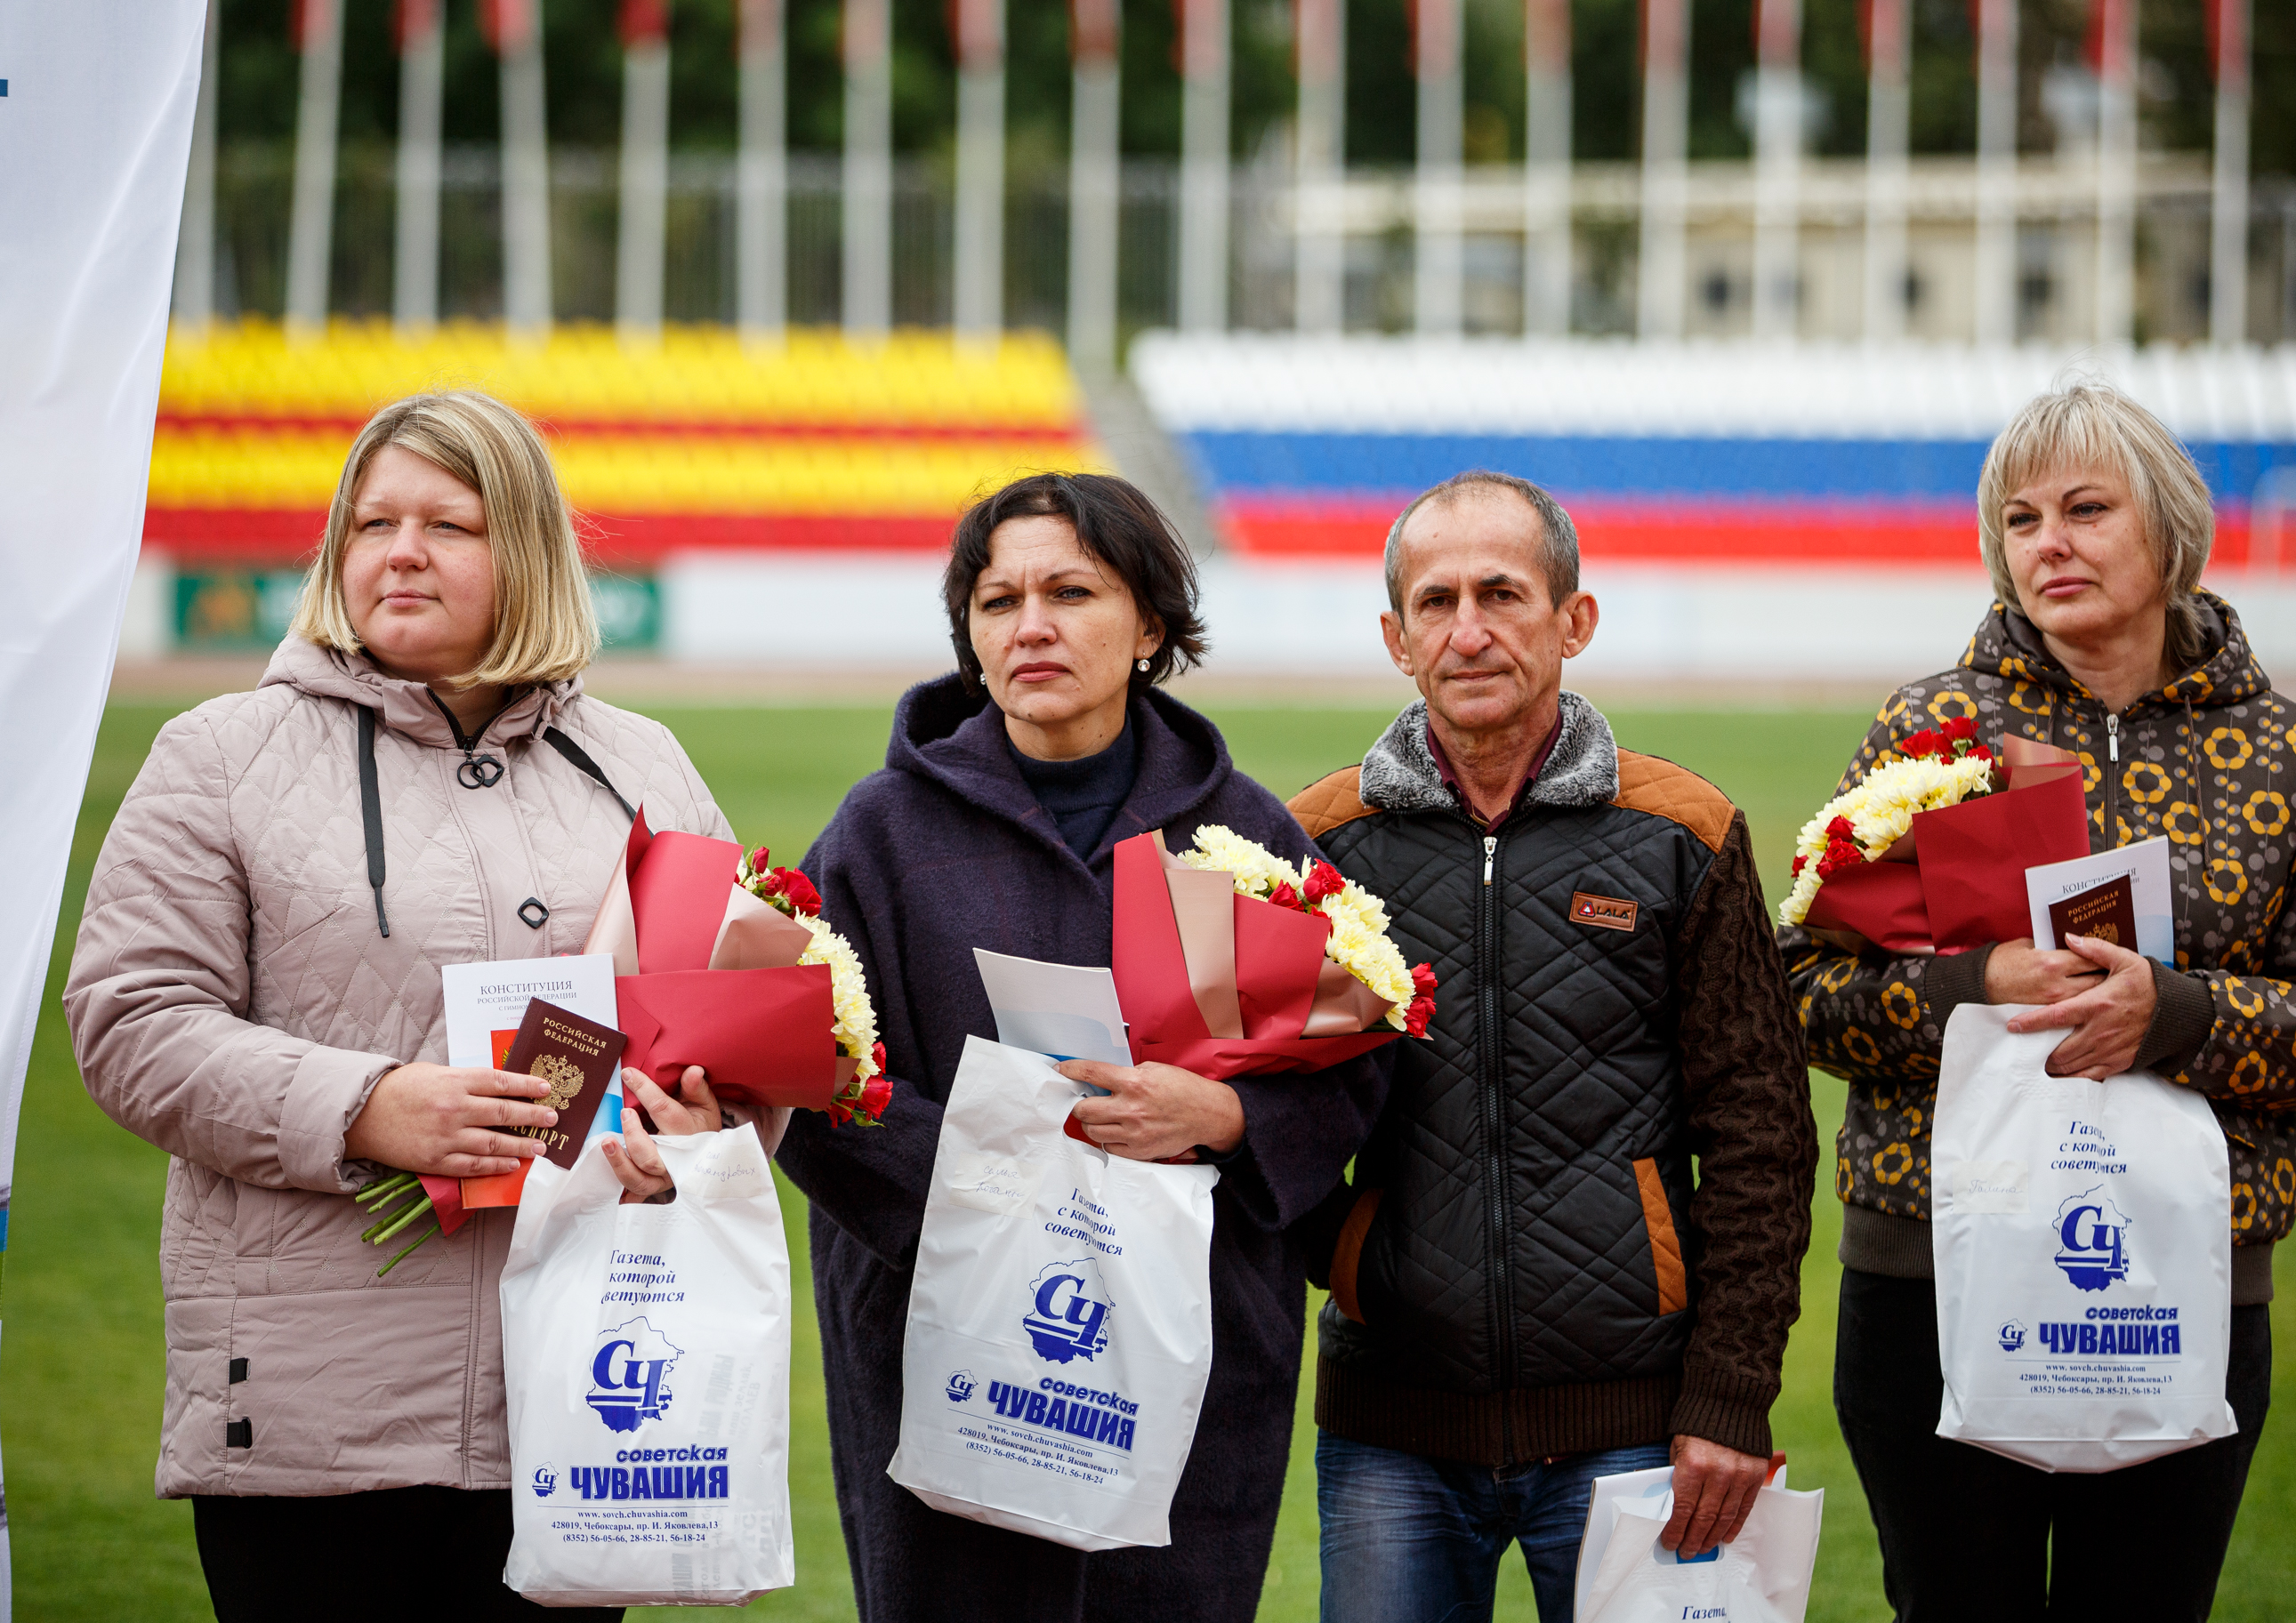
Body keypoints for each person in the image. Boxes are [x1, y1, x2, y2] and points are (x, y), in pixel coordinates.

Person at [64, 390, 739, 1621]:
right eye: (372, 521)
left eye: (448, 522)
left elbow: (709, 1031)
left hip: (579, 1392)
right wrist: (369, 1107)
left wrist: (694, 1137)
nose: (401, 550)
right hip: (320, 1410)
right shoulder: (222, 753)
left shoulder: (646, 767)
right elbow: (132, 1018)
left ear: (526, 549)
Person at [1781, 381, 2296, 1621]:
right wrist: (1975, 984)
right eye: (2018, 519)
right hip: (1933, 1272)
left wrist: (2173, 1014)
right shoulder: (1929, 733)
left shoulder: (2285, 750)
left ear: (2166, 530)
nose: (2046, 541)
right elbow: (1803, 987)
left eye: (2083, 508)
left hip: (2182, 1272)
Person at [775, 471, 1394, 1622]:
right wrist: (990, 1180)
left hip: (1190, 1341)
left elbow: (1356, 1060)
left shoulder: (1240, 830)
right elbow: (811, 1074)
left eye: (1071, 590)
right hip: (943, 1334)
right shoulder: (878, 832)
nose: (1033, 626)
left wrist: (1226, 1120)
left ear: (1149, 622)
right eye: (998, 599)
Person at [1285, 470, 1818, 1623]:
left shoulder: (1683, 831)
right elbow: (1263, 1111)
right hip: (1390, 1433)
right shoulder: (1321, 845)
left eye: (1501, 593)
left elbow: (1759, 1135)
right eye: (1434, 601)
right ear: (1394, 636)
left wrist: (1729, 1394)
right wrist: (1355, 1260)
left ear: (1573, 619)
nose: (1466, 630)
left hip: (1633, 1432)